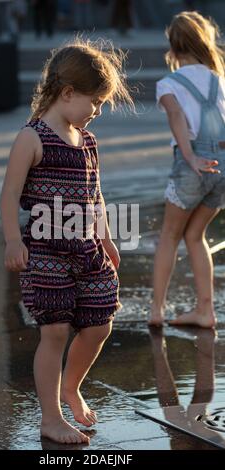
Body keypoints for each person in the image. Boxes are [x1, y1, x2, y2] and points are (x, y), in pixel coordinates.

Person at [0, 38, 132, 444]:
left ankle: (70, 386)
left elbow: (96, 195)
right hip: (46, 251)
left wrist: (107, 238)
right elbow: (8, 195)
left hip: (88, 250)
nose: (98, 112)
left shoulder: (87, 142)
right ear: (68, 92)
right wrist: (11, 241)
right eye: (95, 102)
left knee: (99, 323)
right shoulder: (33, 137)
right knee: (55, 331)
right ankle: (51, 418)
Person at [149, 11, 225, 328]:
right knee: (195, 235)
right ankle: (205, 311)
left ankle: (156, 311)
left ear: (173, 47)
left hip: (192, 165)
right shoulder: (219, 80)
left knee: (169, 235)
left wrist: (192, 158)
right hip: (223, 167)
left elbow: (177, 117)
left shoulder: (168, 83)